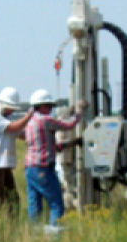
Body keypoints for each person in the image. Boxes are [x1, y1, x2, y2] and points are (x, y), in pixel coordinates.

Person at [22, 88, 84, 229]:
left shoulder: (30, 123)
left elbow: (47, 145)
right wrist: (79, 112)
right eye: (49, 106)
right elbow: (69, 125)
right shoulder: (45, 120)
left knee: (34, 204)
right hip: (43, 168)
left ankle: (34, 233)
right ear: (42, 106)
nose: (50, 109)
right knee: (56, 202)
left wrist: (71, 143)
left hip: (30, 168)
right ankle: (56, 233)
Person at [0, 87, 33, 212]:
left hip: (4, 165)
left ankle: (11, 226)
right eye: (10, 108)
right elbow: (15, 128)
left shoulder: (6, 120)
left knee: (13, 200)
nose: (11, 111)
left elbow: (22, 134)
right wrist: (29, 116)